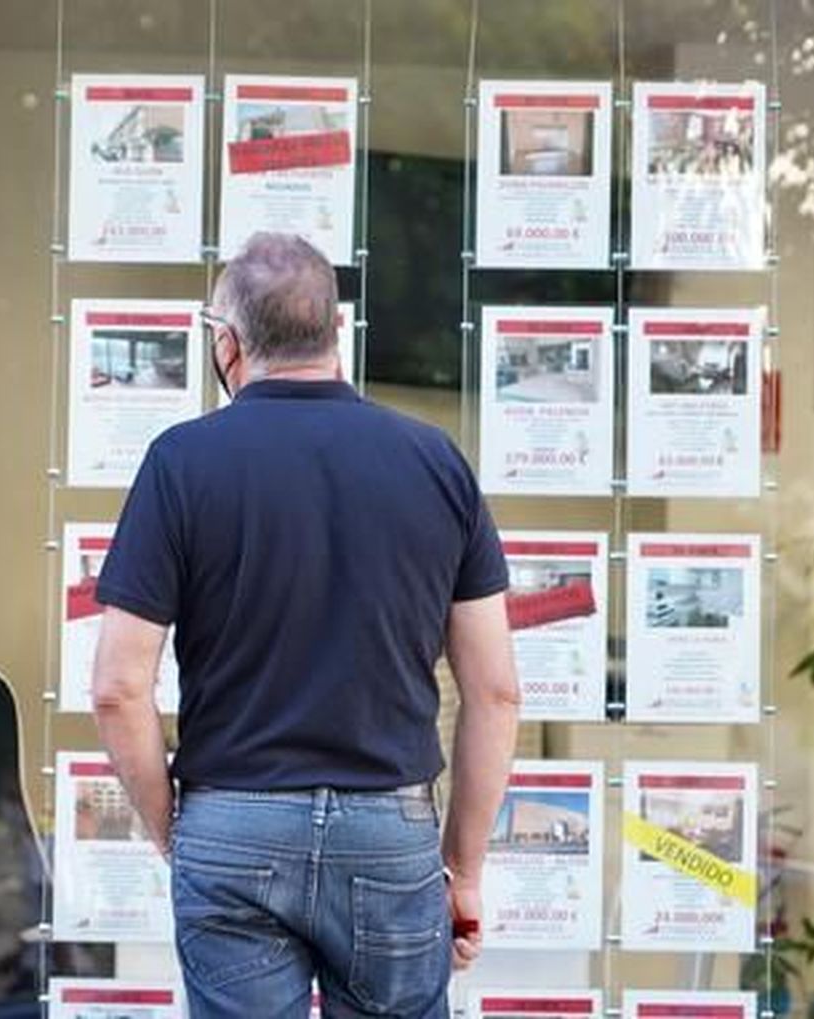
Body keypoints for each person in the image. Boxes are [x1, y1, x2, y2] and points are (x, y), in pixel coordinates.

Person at [90, 231, 520, 1019]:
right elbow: (494, 692)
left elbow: (120, 687)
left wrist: (176, 834)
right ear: (337, 335)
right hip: (388, 830)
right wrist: (462, 870)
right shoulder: (435, 462)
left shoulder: (181, 463)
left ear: (228, 343)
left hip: (233, 817)